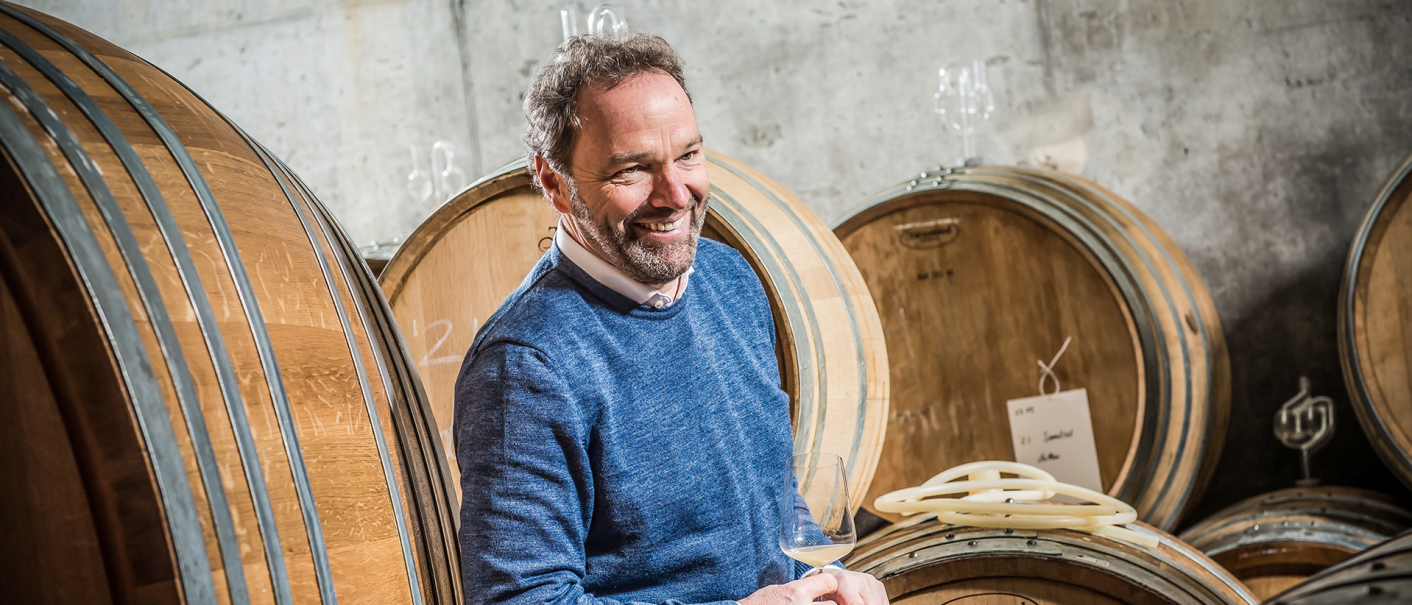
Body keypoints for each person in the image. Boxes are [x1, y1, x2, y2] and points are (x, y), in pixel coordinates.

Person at [453, 32, 887, 605]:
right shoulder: (526, 365)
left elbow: (772, 501)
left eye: (687, 155)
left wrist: (824, 578)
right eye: (632, 170)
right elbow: (521, 600)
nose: (675, 193)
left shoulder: (728, 279)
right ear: (555, 184)